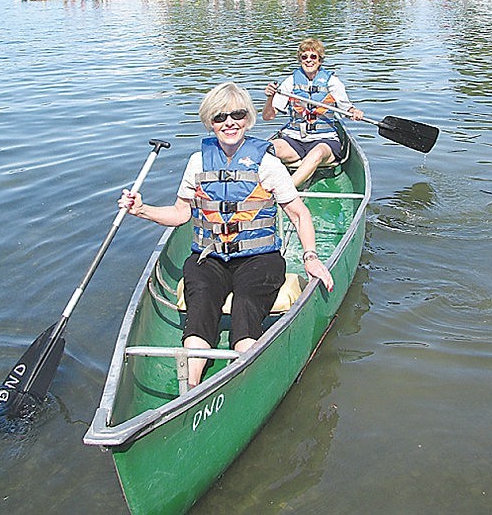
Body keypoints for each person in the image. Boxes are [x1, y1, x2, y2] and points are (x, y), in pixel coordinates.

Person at [118, 82, 333, 388]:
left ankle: (243, 381)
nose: (229, 122)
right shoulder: (197, 162)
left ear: (247, 119)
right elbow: (181, 214)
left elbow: (298, 213)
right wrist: (142, 210)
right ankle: (191, 386)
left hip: (259, 258)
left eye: (237, 114)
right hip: (211, 256)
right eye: (220, 117)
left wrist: (310, 257)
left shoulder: (267, 163)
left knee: (246, 305)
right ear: (210, 122)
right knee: (201, 304)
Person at [263, 38, 364, 187]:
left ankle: (284, 191)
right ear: (300, 60)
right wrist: (270, 97)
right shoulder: (290, 82)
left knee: (316, 154)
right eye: (304, 57)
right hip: (295, 140)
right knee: (264, 149)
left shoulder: (332, 82)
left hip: (325, 140)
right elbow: (268, 117)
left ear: (320, 60)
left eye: (313, 57)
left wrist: (355, 112)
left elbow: (347, 109)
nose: (308, 60)